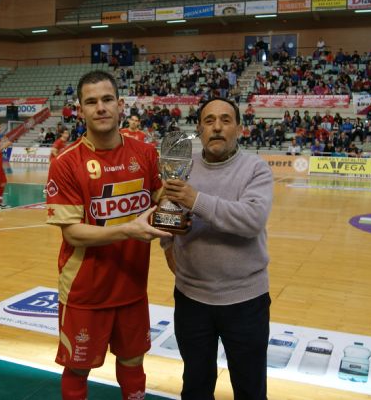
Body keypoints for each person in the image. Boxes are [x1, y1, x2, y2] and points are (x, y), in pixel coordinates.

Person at [45, 70, 171, 400]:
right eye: (91, 102)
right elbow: (72, 233)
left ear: (120, 105)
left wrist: (176, 207)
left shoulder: (145, 154)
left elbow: (164, 201)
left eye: (106, 99)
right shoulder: (66, 163)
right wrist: (128, 229)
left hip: (132, 286)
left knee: (133, 362)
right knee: (77, 367)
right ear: (80, 110)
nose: (100, 107)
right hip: (85, 291)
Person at [160, 97, 273, 400]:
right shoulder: (183, 166)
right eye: (209, 121)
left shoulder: (255, 169)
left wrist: (195, 200)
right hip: (191, 300)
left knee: (250, 389)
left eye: (225, 120)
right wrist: (168, 244)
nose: (218, 127)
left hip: (246, 301)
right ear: (199, 129)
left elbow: (251, 220)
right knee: (195, 386)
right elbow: (166, 214)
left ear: (239, 128)